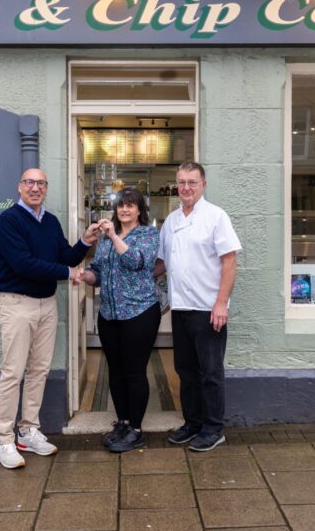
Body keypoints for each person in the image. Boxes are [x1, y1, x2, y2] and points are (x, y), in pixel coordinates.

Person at [0, 168, 101, 469]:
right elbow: (23, 264)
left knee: (39, 370)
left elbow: (64, 256)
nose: (35, 188)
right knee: (13, 372)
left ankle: (28, 430)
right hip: (17, 303)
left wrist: (85, 241)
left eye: (41, 183)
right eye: (29, 182)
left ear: (46, 188)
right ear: (20, 186)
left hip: (46, 303)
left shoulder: (50, 221)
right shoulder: (9, 220)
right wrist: (70, 273)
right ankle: (3, 439)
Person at [156, 161, 241, 452]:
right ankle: (192, 423)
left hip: (208, 309)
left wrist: (221, 304)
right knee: (185, 370)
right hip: (180, 309)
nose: (186, 188)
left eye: (192, 182)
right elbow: (162, 263)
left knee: (211, 373)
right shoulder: (171, 220)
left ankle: (213, 428)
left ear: (203, 184)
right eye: (181, 182)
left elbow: (229, 261)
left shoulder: (216, 216)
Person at [81, 188, 161, 453]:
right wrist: (86, 276)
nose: (124, 210)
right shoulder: (104, 240)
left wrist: (114, 236)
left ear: (140, 210)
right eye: (120, 206)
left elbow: (136, 262)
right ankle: (123, 423)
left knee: (134, 372)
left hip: (139, 313)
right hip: (109, 315)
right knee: (114, 372)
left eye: (130, 205)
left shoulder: (148, 234)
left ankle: (136, 430)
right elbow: (99, 272)